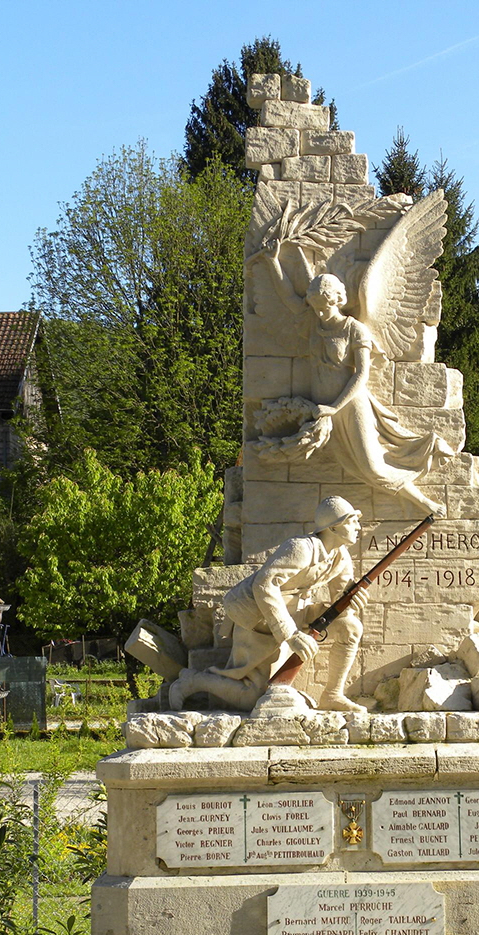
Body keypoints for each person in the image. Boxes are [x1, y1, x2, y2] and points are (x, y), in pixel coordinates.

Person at [261, 241, 449, 517]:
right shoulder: (312, 322)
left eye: (324, 306)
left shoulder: (355, 331)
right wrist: (272, 260)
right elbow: (288, 297)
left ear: (336, 300)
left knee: (372, 465)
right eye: (314, 306)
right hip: (323, 409)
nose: (319, 312)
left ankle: (425, 504)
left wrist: (335, 408)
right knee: (354, 467)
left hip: (349, 405)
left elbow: (361, 374)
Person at [169, 496, 368, 714]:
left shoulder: (341, 557)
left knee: (350, 626)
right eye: (351, 521)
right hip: (259, 614)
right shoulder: (301, 548)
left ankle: (332, 694)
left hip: (297, 612)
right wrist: (291, 635)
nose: (358, 527)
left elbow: (338, 604)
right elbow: (265, 586)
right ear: (334, 528)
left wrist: (351, 603)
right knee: (252, 698)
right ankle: (194, 681)